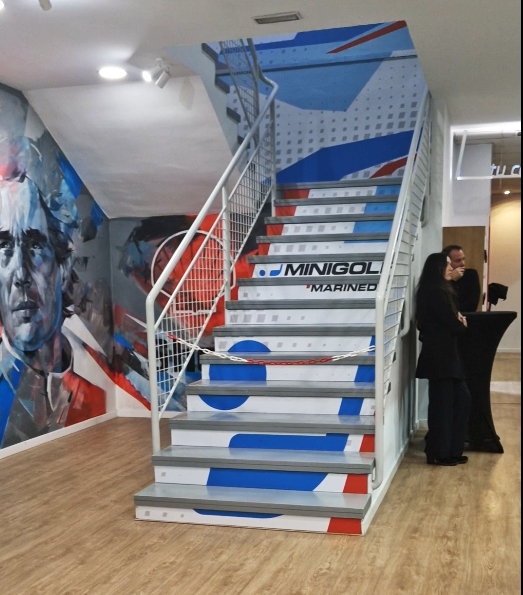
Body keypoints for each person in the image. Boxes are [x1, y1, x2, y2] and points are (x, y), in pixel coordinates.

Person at [0, 177, 106, 448]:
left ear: (63, 269)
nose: (21, 274)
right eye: (4, 248)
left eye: (35, 246)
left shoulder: (93, 395)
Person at [416, 253, 472, 466]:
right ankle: (440, 452)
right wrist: (460, 322)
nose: (451, 268)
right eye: (447, 264)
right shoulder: (434, 292)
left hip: (446, 358)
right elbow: (454, 324)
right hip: (440, 359)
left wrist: (458, 321)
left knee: (460, 400)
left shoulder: (441, 290)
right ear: (437, 268)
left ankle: (450, 450)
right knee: (443, 406)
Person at [442, 245, 482, 313]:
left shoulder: (471, 275)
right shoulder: (440, 278)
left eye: (463, 259)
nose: (463, 263)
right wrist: (451, 280)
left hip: (465, 316)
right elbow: (443, 304)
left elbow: (472, 305)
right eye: (457, 261)